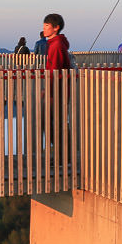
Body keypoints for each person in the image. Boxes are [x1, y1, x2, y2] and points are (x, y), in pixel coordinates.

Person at [42, 13, 72, 153]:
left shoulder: (57, 45)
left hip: (57, 91)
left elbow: (55, 70)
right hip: (56, 90)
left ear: (56, 28)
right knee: (54, 123)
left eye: (47, 26)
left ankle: (63, 153)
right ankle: (62, 152)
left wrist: (49, 91)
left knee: (53, 123)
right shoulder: (55, 44)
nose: (44, 29)